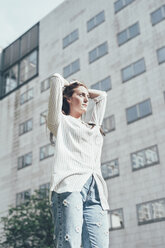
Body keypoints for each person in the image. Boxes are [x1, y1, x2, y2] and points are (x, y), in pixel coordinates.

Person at [46, 73, 110, 248]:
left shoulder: (93, 126)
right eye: (81, 95)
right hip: (70, 187)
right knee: (70, 244)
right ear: (67, 98)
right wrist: (69, 85)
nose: (86, 99)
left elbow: (103, 96)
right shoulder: (60, 122)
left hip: (96, 191)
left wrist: (81, 89)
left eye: (87, 96)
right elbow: (56, 79)